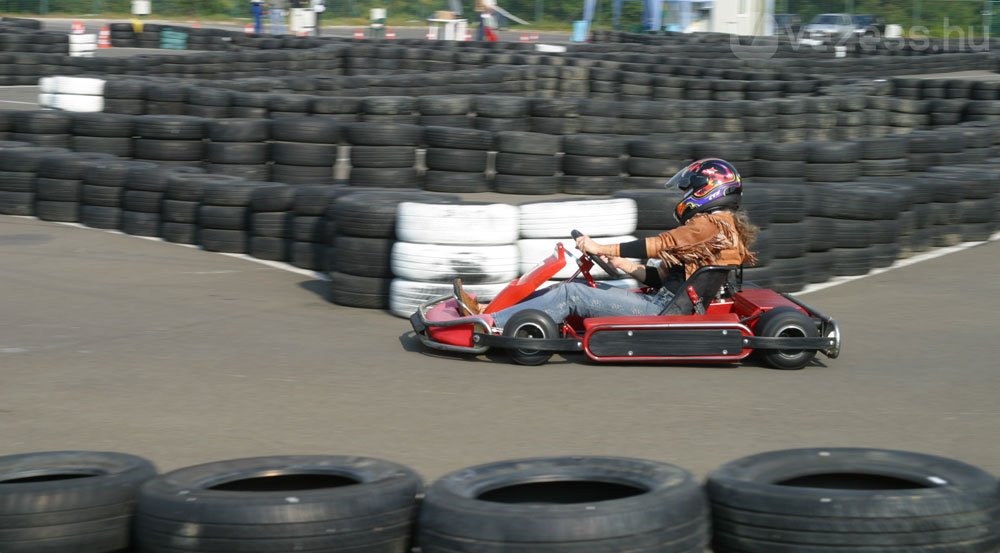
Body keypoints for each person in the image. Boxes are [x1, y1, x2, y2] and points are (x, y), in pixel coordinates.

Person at [454, 159, 759, 328]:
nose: (684, 196)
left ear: (710, 190)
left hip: (661, 312)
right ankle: (491, 310)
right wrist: (626, 266)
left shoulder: (709, 225)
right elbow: (674, 279)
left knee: (572, 292)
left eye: (690, 189)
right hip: (667, 302)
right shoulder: (719, 228)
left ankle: (490, 323)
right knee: (567, 289)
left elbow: (661, 243)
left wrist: (602, 248)